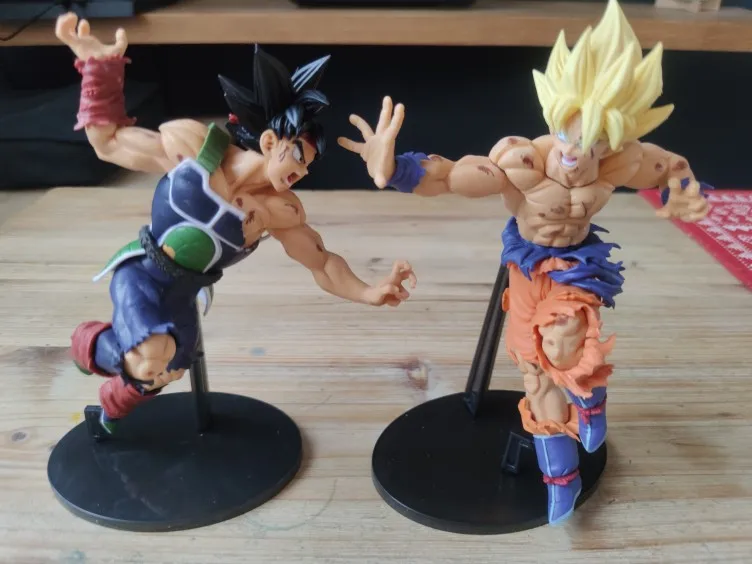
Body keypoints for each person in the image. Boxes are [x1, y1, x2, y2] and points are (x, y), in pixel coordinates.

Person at [338, 0, 710, 525]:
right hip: (528, 264)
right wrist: (395, 168)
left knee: (565, 335)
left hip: (579, 264)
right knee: (536, 376)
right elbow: (450, 175)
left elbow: (671, 164)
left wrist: (685, 188)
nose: (577, 154)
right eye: (570, 136)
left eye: (594, 142)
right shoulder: (523, 161)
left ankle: (589, 394)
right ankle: (561, 476)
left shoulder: (619, 159)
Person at [55, 13, 417, 434]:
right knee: (151, 355)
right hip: (142, 275)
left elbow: (321, 263)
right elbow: (109, 143)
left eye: (309, 166)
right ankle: (90, 344)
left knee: (165, 370)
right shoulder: (195, 150)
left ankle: (108, 402)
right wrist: (99, 69)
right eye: (298, 157)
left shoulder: (279, 211)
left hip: (185, 294)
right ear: (270, 141)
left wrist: (368, 292)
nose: (301, 173)